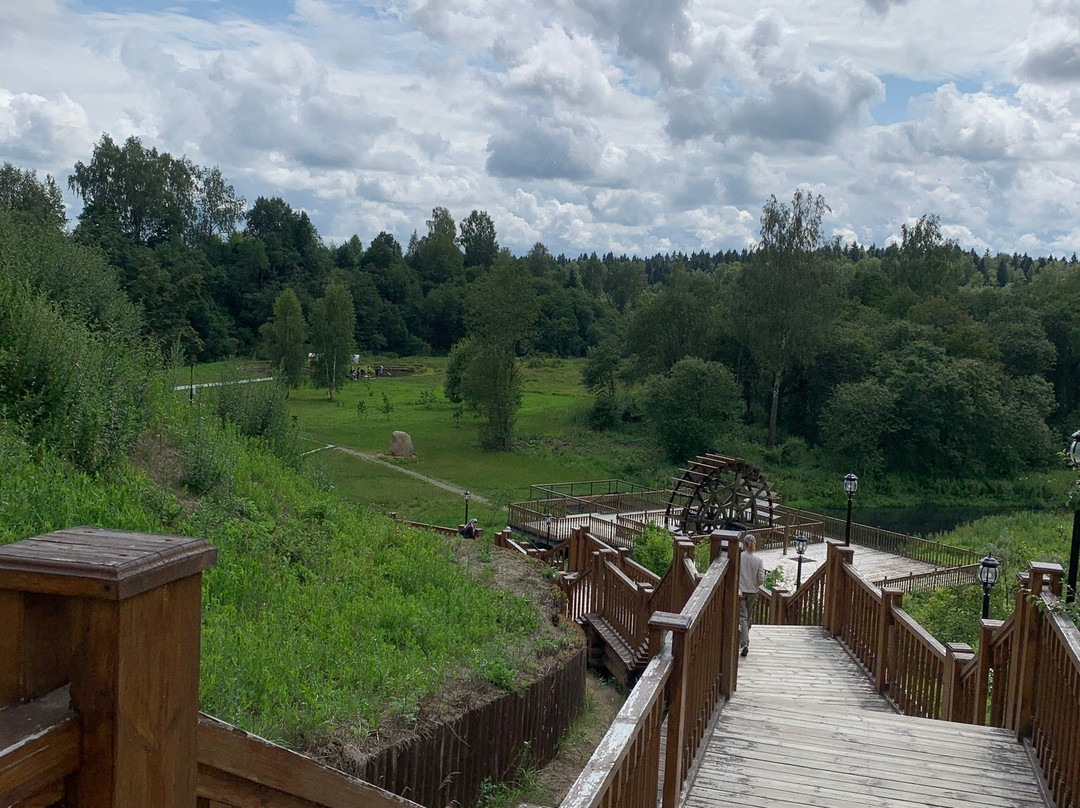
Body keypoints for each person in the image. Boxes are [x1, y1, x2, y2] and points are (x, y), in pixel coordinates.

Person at [738, 535, 765, 657]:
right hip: (753, 591)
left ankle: (744, 643)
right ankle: (745, 639)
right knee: (748, 617)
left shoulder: (739, 557)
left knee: (742, 617)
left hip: (741, 590)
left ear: (744, 544)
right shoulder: (758, 560)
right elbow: (761, 579)